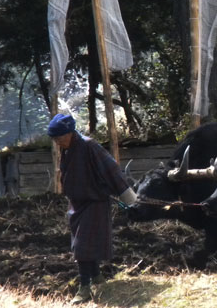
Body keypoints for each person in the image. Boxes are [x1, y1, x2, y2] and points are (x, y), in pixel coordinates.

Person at [47, 113, 136, 304]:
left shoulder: (89, 146)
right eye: (54, 139)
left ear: (70, 133)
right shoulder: (67, 149)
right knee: (85, 244)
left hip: (95, 202)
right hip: (77, 205)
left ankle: (84, 287)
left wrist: (127, 196)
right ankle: (97, 277)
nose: (57, 142)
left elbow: (111, 168)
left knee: (82, 245)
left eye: (59, 138)